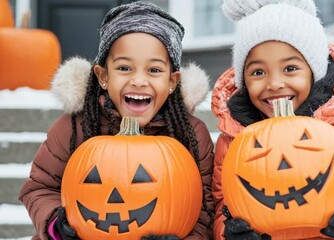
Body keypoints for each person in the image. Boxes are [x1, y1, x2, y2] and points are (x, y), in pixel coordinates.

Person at [211, 0, 334, 239]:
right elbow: (225, 208)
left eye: (290, 69)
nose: (274, 83)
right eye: (258, 72)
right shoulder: (234, 138)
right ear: (243, 81)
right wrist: (228, 233)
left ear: (313, 71)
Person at [19, 1, 214, 239]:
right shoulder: (74, 127)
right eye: (124, 68)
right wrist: (55, 227)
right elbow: (40, 187)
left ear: (172, 82)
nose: (139, 80)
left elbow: (204, 208)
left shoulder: (191, 135)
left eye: (154, 70)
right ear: (103, 76)